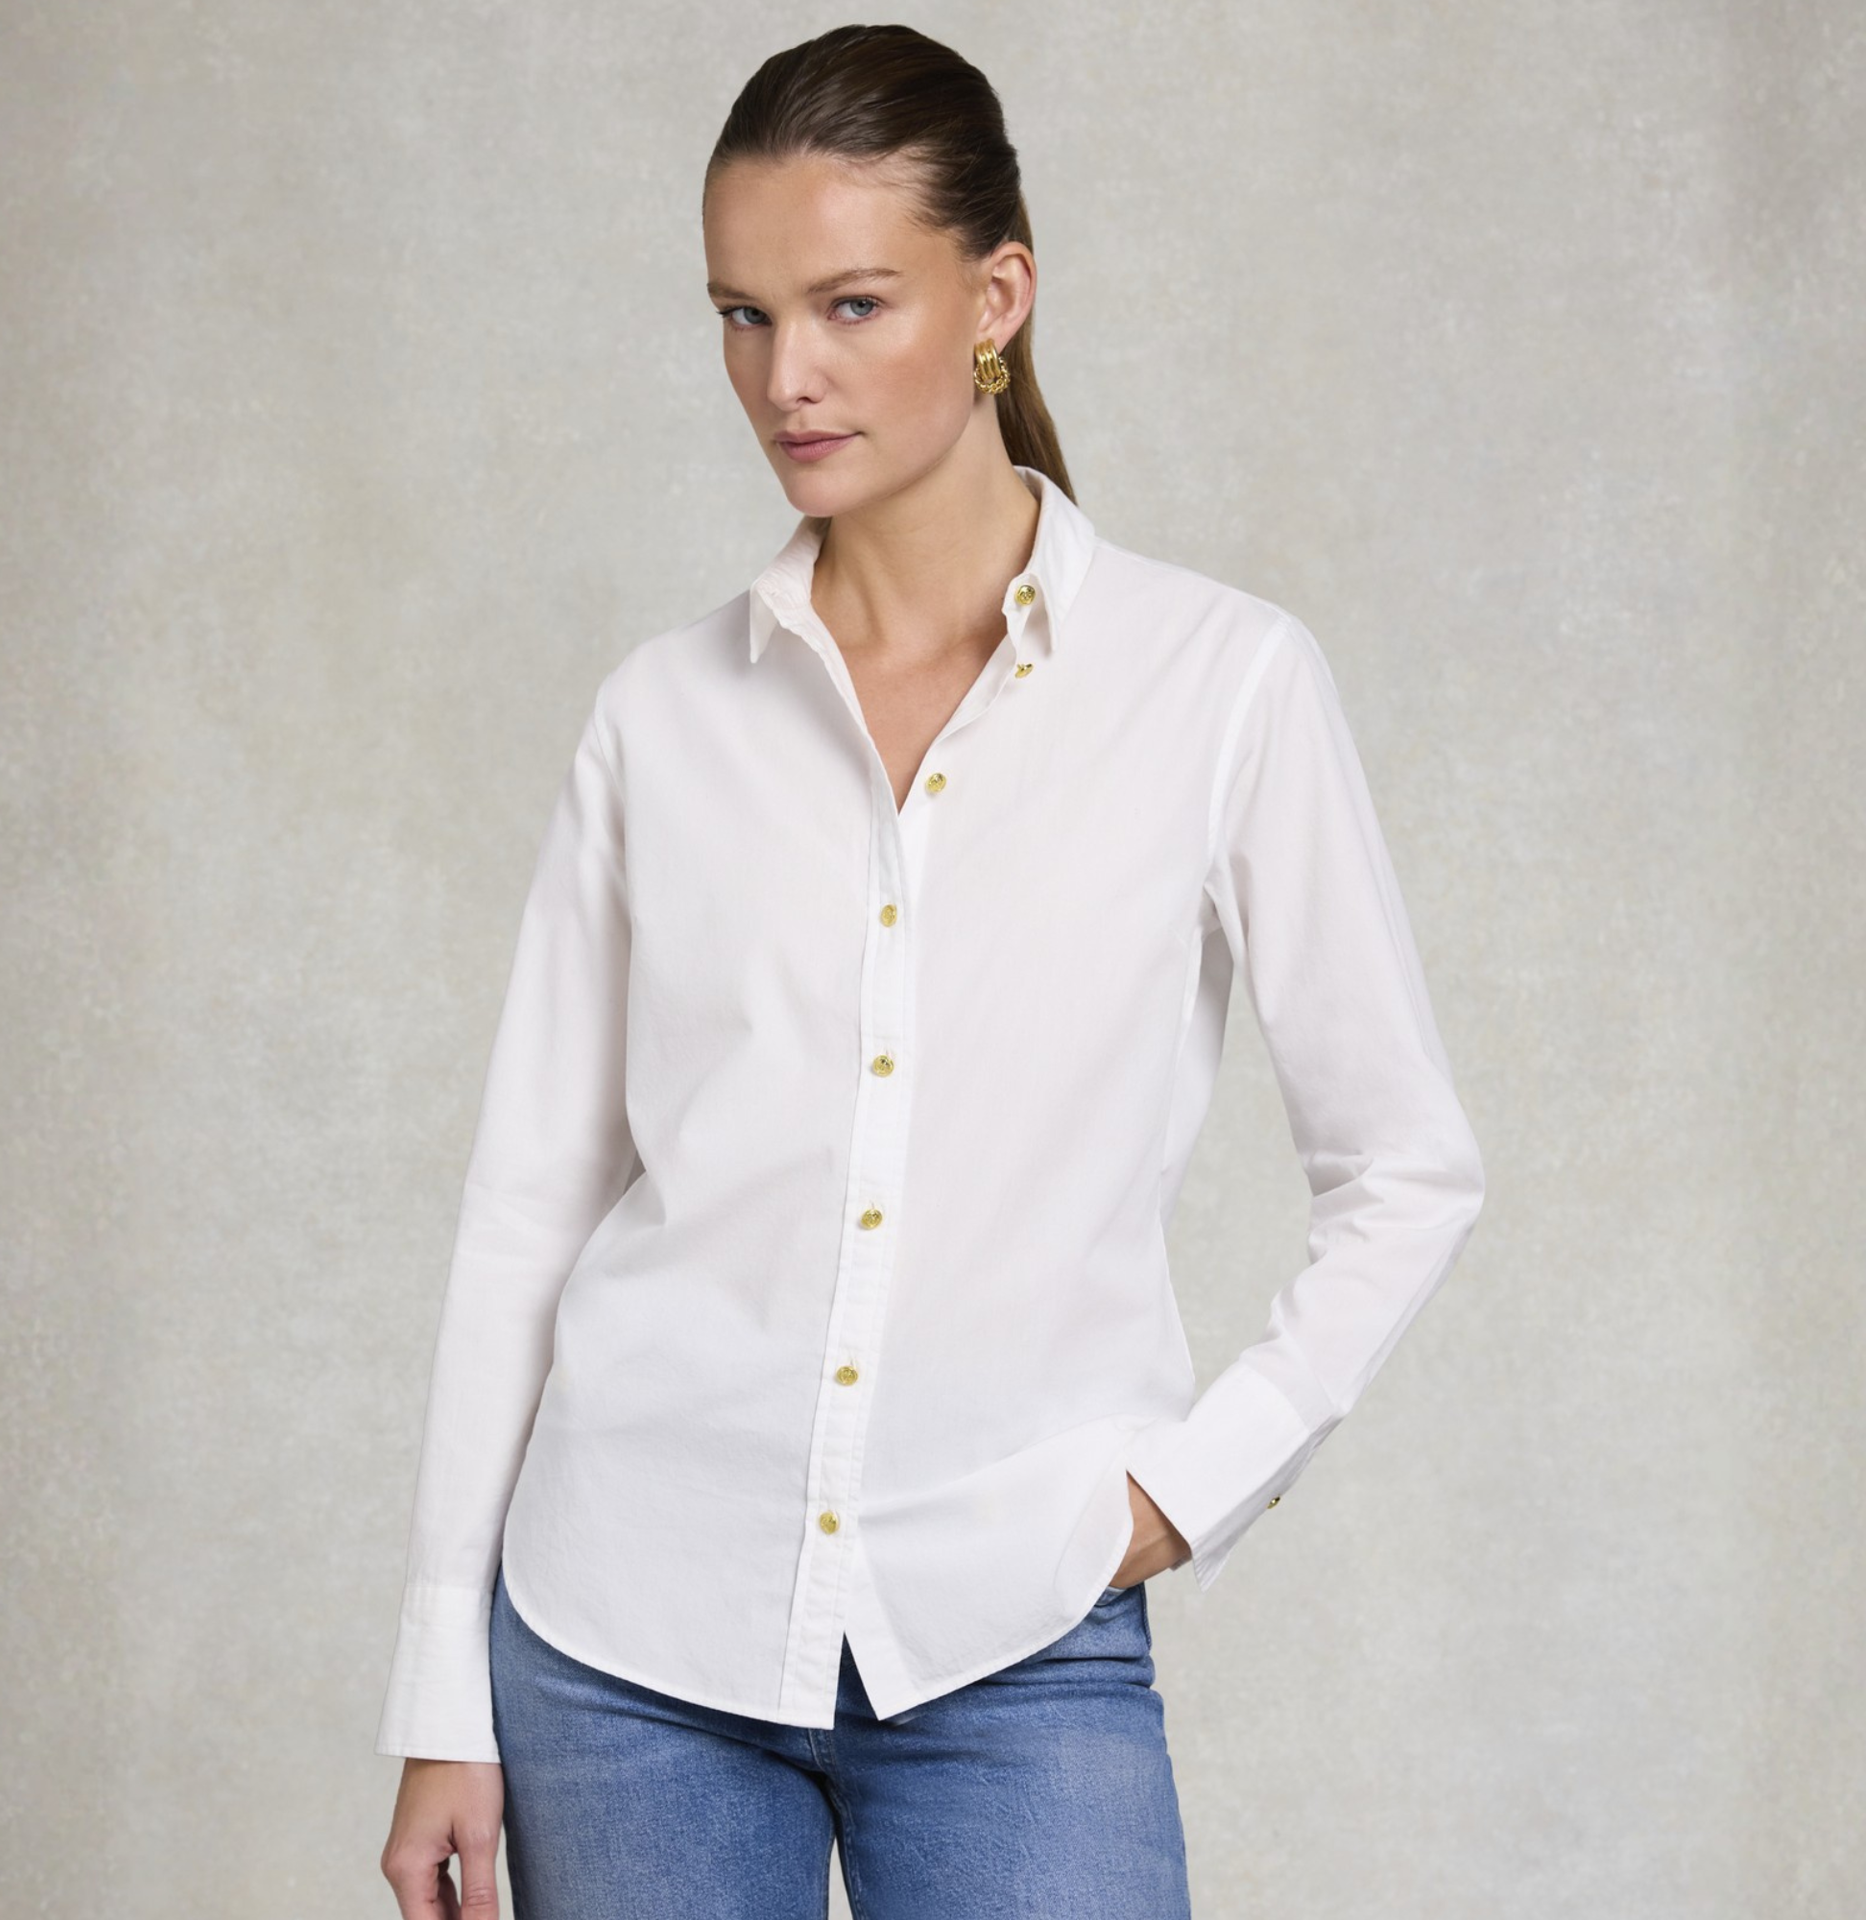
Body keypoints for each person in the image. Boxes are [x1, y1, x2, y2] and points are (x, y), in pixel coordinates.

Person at [376, 23, 1485, 1920]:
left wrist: (1181, 1493)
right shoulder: (660, 718)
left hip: (1012, 1633)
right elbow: (529, 1208)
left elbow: (1407, 1170)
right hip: (622, 1635)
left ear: (997, 298)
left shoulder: (1219, 687)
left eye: (850, 304)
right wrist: (438, 1695)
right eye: (741, 315)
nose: (783, 378)